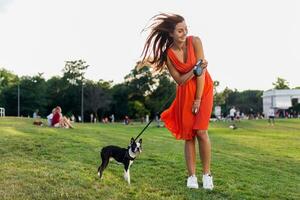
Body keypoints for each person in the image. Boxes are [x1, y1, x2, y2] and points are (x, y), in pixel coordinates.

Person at [141, 13, 214, 190]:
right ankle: (191, 177)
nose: (184, 33)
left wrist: (197, 98)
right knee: (188, 136)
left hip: (203, 90)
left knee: (201, 132)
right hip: (184, 94)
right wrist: (194, 70)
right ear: (171, 33)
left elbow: (202, 73)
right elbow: (180, 80)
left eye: (185, 29)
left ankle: (207, 175)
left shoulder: (195, 41)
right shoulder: (169, 54)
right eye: (180, 30)